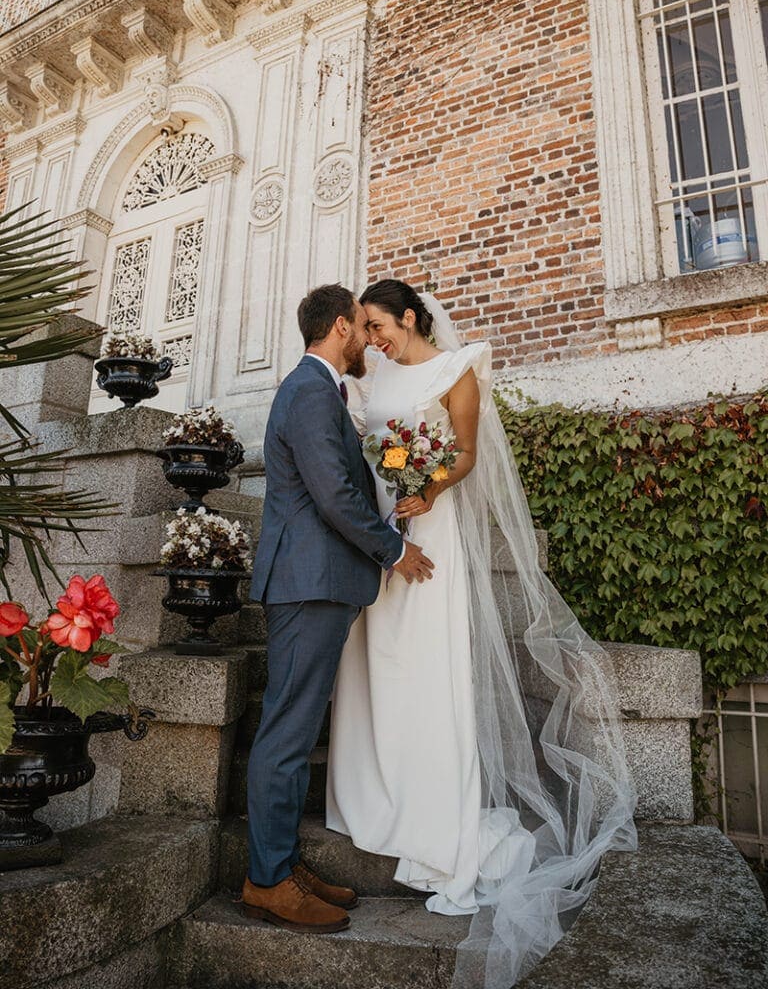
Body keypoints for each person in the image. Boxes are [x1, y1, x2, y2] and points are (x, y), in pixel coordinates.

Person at [326, 279, 637, 988]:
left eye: (379, 326)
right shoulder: (374, 375)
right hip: (379, 537)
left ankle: (432, 807)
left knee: (420, 668)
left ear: (408, 316)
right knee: (371, 665)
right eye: (365, 331)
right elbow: (367, 443)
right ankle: (371, 792)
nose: (372, 340)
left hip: (426, 531)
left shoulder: (458, 369)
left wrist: (425, 489)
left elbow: (462, 453)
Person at [243, 283, 435, 934]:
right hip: (307, 584)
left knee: (294, 733)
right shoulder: (307, 391)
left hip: (318, 582)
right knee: (287, 735)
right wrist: (393, 552)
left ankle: (281, 864)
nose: (366, 339)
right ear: (341, 328)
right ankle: (267, 881)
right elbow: (331, 495)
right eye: (360, 325)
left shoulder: (319, 391)